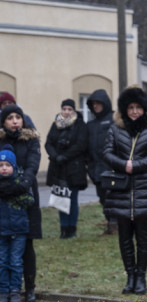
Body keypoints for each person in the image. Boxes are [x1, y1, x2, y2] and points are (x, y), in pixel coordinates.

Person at [103, 87, 147, 295]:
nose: (135, 111)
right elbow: (107, 152)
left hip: (144, 189)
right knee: (125, 237)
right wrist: (123, 165)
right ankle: (130, 275)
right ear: (125, 109)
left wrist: (135, 166)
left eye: (138, 107)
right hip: (121, 190)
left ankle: (141, 277)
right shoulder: (115, 129)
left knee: (143, 236)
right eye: (131, 107)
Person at [0, 105, 40, 302]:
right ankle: (5, 288)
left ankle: (29, 288)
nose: (15, 121)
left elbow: (33, 164)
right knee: (3, 250)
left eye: (18, 117)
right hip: (2, 200)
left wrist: (22, 183)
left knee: (27, 245)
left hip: (26, 196)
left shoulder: (30, 140)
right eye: (10, 118)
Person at [44, 99, 89, 239]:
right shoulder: (55, 124)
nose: (66, 112)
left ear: (74, 111)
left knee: (72, 199)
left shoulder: (80, 125)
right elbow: (48, 143)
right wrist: (56, 156)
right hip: (58, 167)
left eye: (69, 109)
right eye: (64, 109)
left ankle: (72, 229)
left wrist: (65, 156)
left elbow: (81, 145)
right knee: (60, 198)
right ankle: (63, 229)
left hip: (74, 168)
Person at [0, 145, 33, 302]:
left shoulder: (21, 183)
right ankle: (3, 291)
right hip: (1, 230)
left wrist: (14, 192)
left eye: (7, 165)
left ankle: (15, 291)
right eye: (1, 165)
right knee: (2, 261)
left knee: (15, 262)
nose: (4, 169)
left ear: (13, 167)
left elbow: (29, 200)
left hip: (18, 229)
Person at [85, 89, 117, 235]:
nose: (96, 106)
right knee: (103, 198)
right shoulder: (90, 125)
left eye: (98, 103)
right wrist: (90, 169)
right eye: (93, 104)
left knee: (114, 198)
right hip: (97, 170)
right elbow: (86, 149)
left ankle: (117, 225)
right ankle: (110, 225)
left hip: (112, 169)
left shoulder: (114, 120)